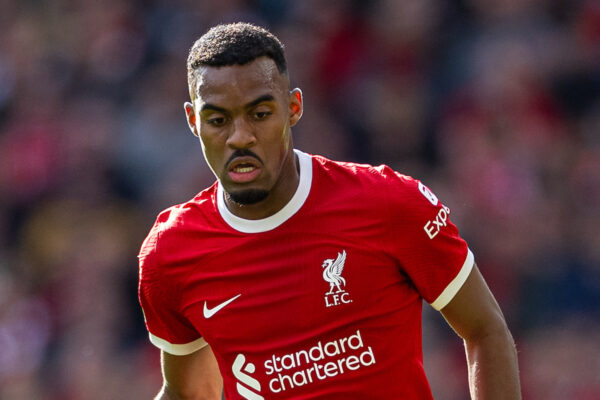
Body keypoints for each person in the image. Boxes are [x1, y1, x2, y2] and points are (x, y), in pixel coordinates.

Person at [138, 22, 522, 400]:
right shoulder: (170, 252)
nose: (240, 136)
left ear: (293, 108)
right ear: (193, 121)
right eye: (218, 120)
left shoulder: (388, 202)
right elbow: (189, 393)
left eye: (260, 114)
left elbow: (485, 329)